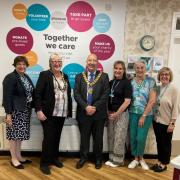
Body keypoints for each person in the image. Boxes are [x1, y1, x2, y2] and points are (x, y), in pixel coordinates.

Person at [35, 53, 72, 175]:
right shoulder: (45, 75)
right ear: (50, 62)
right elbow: (38, 94)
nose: (57, 63)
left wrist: (69, 111)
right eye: (54, 61)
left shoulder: (65, 75)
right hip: (48, 113)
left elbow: (67, 93)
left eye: (59, 61)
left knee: (56, 137)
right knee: (49, 138)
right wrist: (38, 110)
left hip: (61, 113)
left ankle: (54, 158)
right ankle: (44, 163)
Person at [74, 53, 110, 169]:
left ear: (97, 63)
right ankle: (83, 158)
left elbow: (105, 94)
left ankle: (98, 159)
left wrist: (94, 107)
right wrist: (86, 107)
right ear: (86, 62)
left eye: (94, 60)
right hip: (83, 113)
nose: (92, 62)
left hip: (98, 114)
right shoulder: (79, 76)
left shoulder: (104, 76)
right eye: (90, 60)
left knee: (98, 138)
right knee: (84, 138)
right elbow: (76, 94)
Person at [2, 56, 34, 169]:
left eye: (24, 64)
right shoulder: (10, 78)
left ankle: (19, 156)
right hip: (15, 111)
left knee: (19, 136)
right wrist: (8, 114)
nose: (22, 66)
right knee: (13, 136)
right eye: (19, 64)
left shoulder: (25, 77)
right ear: (15, 65)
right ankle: (13, 158)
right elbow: (7, 97)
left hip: (25, 111)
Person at [128, 60, 156, 170]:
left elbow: (152, 100)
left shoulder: (151, 81)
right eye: (137, 67)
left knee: (141, 138)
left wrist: (143, 115)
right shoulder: (130, 81)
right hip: (132, 113)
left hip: (146, 114)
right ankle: (135, 159)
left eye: (142, 67)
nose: (140, 70)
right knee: (133, 137)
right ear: (135, 69)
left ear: (146, 69)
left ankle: (141, 158)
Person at [151, 67, 180, 172]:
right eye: (162, 74)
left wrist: (172, 123)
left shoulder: (174, 89)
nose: (164, 76)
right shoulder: (158, 88)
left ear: (170, 76)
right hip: (156, 121)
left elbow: (176, 108)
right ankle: (159, 161)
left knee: (166, 144)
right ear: (159, 76)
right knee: (159, 142)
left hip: (167, 122)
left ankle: (164, 164)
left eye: (166, 74)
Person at [105, 61, 132, 167]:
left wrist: (117, 114)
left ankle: (118, 160)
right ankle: (112, 158)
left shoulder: (127, 83)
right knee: (111, 136)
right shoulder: (111, 82)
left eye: (120, 68)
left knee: (119, 137)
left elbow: (127, 101)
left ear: (124, 70)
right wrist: (108, 112)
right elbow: (107, 98)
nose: (118, 70)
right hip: (110, 114)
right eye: (116, 68)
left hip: (121, 114)